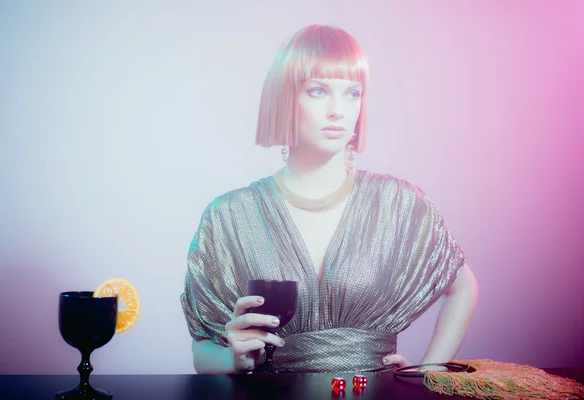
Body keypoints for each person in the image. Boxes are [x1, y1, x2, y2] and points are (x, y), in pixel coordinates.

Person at [180, 24, 478, 374]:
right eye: (318, 91)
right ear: (283, 98)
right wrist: (233, 357)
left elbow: (463, 288)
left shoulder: (399, 204)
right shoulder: (229, 216)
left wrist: (432, 370)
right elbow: (202, 355)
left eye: (353, 93)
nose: (339, 110)